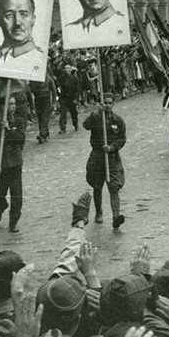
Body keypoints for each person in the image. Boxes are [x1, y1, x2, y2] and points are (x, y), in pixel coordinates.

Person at [83, 92, 127, 229]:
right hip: (97, 156)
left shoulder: (117, 120)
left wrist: (112, 147)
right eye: (105, 103)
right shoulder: (96, 118)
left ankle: (115, 217)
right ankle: (99, 212)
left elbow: (122, 139)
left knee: (114, 187)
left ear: (113, 104)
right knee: (97, 186)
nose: (107, 105)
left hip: (112, 158)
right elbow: (86, 125)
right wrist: (96, 111)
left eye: (109, 103)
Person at [0, 96, 25, 232]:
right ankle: (0, 207)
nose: (13, 107)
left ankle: (13, 222)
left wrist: (9, 129)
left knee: (17, 195)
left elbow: (21, 140)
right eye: (9, 104)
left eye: (14, 104)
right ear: (3, 106)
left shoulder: (19, 121)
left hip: (15, 163)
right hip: (0, 164)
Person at [0, 0, 45, 68]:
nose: (17, 23)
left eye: (24, 15)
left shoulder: (42, 61)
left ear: (33, 20)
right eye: (9, 15)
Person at [30, 70, 56, 144]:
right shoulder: (35, 79)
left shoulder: (48, 78)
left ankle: (42, 134)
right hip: (38, 100)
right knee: (40, 117)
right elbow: (31, 90)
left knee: (44, 117)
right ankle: (45, 134)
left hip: (46, 100)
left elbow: (54, 91)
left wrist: (53, 103)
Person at [58, 61, 80, 134]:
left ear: (71, 69)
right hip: (64, 97)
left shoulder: (75, 78)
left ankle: (75, 124)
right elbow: (59, 87)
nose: (67, 70)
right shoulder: (61, 78)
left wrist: (76, 99)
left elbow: (77, 89)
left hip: (72, 98)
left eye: (68, 68)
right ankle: (62, 128)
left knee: (73, 112)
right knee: (63, 113)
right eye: (65, 68)